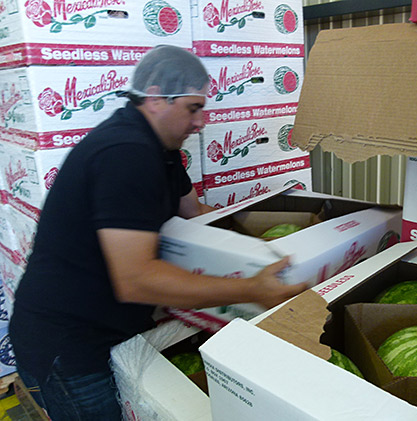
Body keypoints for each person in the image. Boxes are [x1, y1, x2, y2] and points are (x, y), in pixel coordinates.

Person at [8, 45, 307, 421]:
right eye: (193, 108)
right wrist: (252, 289)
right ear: (154, 98)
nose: (201, 121)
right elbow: (136, 280)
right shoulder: (125, 154)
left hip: (113, 329)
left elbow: (196, 214)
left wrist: (263, 249)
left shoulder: (161, 151)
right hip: (69, 344)